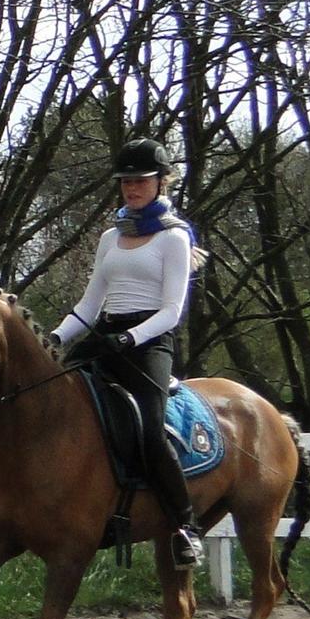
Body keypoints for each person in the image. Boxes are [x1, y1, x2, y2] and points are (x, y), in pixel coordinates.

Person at [50, 136, 205, 570]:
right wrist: (59, 338)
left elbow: (173, 311)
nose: (132, 188)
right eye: (125, 182)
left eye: (140, 181)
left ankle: (185, 526)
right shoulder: (109, 238)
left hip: (150, 341)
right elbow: (89, 304)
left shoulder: (174, 237)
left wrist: (131, 339)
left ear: (161, 182)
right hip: (106, 335)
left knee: (151, 433)